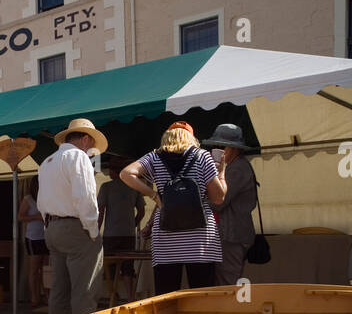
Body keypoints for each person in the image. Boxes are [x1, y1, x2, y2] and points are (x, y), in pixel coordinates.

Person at [120, 121, 226, 295]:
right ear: (191, 138)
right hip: (200, 240)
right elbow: (218, 197)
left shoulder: (154, 157)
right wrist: (221, 172)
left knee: (166, 297)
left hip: (166, 239)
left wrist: (153, 195)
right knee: (203, 296)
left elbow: (126, 174)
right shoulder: (203, 156)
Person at [36, 116, 108, 314]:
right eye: (92, 144)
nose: (91, 149)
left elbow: (42, 201)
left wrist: (48, 226)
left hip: (52, 228)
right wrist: (92, 230)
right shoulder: (78, 157)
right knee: (84, 289)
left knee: (59, 288)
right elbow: (85, 196)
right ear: (86, 139)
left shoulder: (47, 162)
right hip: (74, 228)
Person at [201, 124, 259, 285]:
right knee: (223, 280)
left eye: (221, 146)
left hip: (231, 235)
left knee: (227, 282)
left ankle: (229, 310)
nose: (217, 149)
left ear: (235, 149)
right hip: (229, 234)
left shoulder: (237, 169)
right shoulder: (232, 167)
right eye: (216, 146)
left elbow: (218, 202)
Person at [98, 155, 145, 290]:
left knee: (110, 269)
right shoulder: (134, 187)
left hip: (110, 235)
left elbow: (100, 212)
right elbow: (141, 212)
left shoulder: (106, 187)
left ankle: (114, 298)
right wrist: (132, 224)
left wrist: (95, 231)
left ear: (114, 171)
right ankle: (130, 298)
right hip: (128, 235)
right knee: (128, 268)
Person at [17, 176, 48, 311]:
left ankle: (46, 296)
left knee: (45, 270)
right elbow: (20, 217)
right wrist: (36, 217)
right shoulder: (28, 199)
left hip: (47, 237)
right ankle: (34, 298)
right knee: (34, 270)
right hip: (33, 238)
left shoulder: (47, 197)